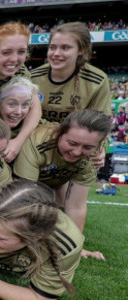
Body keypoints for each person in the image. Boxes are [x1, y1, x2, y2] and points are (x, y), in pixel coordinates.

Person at [13, 109, 111, 259]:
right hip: (21, 180)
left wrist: (75, 246)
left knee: (60, 212)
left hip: (55, 178)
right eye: (72, 143)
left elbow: (76, 206)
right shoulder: (39, 141)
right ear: (60, 133)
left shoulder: (93, 157)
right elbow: (23, 197)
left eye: (87, 147)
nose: (77, 152)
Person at [0, 22, 42, 162]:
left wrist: (18, 142)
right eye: (6, 52)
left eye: (21, 52)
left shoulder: (22, 72)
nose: (14, 59)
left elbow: (35, 108)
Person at [31, 21, 112, 122]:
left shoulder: (97, 81)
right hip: (37, 137)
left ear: (81, 49)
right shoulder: (33, 78)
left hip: (79, 137)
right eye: (52, 47)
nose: (56, 53)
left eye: (65, 48)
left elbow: (99, 126)